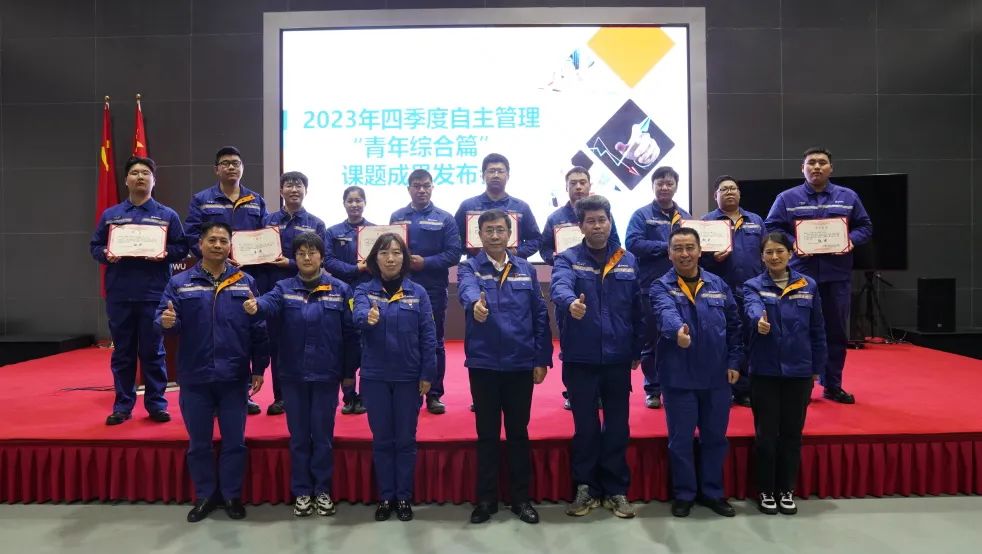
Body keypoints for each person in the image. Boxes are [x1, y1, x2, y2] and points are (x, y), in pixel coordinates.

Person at [156, 221, 269, 523]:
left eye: (223, 240)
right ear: (200, 244)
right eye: (212, 240)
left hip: (234, 376)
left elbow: (258, 327)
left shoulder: (245, 282)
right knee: (199, 444)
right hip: (195, 376)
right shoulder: (180, 283)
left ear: (231, 246)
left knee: (235, 442)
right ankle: (205, 495)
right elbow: (164, 318)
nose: (218, 245)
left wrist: (259, 367)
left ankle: (231, 495)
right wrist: (166, 322)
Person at [243, 232, 359, 518]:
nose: (307, 257)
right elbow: (268, 304)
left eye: (312, 252)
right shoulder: (283, 288)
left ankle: (322, 490)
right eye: (301, 253)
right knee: (298, 438)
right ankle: (302, 491)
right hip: (293, 375)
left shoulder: (341, 289)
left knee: (322, 437)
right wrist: (256, 306)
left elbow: (351, 335)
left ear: (322, 256)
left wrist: (348, 373)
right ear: (294, 258)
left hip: (326, 375)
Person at [550, 195, 643, 520]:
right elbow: (559, 287)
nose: (597, 226)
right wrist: (570, 303)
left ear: (610, 221)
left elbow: (637, 309)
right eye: (590, 221)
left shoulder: (628, 260)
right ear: (581, 226)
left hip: (617, 358)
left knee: (617, 427)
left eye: (602, 219)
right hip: (581, 358)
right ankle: (586, 487)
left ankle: (616, 490)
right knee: (586, 428)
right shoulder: (568, 259)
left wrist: (636, 350)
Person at [457, 209, 552, 525]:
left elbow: (539, 315)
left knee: (518, 434)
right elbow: (466, 290)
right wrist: (475, 304)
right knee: (486, 434)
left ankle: (520, 499)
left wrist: (541, 359)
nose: (495, 236)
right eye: (489, 230)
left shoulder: (526, 269)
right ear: (479, 235)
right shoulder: (470, 267)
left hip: (519, 364)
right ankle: (486, 500)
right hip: (484, 363)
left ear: (510, 234)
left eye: (500, 230)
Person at [764, 147, 873, 404]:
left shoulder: (848, 196)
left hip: (837, 276)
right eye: (811, 163)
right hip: (800, 277)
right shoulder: (787, 198)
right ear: (802, 168)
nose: (816, 167)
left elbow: (865, 226)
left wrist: (849, 240)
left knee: (836, 332)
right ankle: (799, 386)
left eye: (822, 163)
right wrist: (795, 243)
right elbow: (771, 226)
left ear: (830, 168)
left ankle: (832, 385)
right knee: (798, 331)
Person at [90, 156, 188, 425]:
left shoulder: (167, 215)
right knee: (123, 352)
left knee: (153, 351)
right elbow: (95, 247)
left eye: (146, 173)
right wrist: (106, 254)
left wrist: (164, 253)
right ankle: (122, 405)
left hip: (154, 294)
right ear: (126, 180)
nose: (140, 177)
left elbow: (182, 247)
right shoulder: (111, 215)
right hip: (120, 294)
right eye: (135, 173)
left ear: (154, 180)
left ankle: (156, 404)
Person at [651, 227, 741, 518]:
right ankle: (684, 493)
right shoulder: (660, 286)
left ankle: (713, 492)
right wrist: (677, 331)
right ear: (669, 254)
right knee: (680, 440)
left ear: (700, 251)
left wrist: (734, 362)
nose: (684, 254)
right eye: (678, 248)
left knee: (715, 438)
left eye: (690, 247)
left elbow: (735, 326)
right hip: (679, 377)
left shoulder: (718, 284)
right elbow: (665, 312)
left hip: (717, 377)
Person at [352, 233, 436, 523]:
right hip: (375, 376)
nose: (390, 258)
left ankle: (403, 497)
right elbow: (357, 316)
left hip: (408, 378)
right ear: (375, 258)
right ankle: (386, 496)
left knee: (405, 440)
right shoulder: (363, 291)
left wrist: (428, 374)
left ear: (405, 258)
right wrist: (367, 319)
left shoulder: (418, 293)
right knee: (382, 439)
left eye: (397, 253)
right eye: (384, 253)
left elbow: (429, 336)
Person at [743, 232, 827, 516]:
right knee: (766, 435)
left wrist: (817, 368)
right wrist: (758, 320)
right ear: (762, 257)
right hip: (765, 371)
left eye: (780, 251)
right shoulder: (752, 285)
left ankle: (786, 489)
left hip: (799, 372)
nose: (774, 257)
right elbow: (752, 307)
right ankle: (766, 490)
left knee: (792, 434)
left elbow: (818, 329)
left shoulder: (808, 285)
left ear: (790, 254)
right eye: (769, 252)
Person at [184, 146, 269, 416]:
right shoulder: (201, 199)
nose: (231, 167)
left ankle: (242, 394)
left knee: (242, 334)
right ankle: (209, 396)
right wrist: (217, 257)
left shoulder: (256, 200)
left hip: (245, 278)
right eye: (225, 163)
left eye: (236, 163)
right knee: (214, 332)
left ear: (242, 168)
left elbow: (266, 236)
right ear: (216, 169)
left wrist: (255, 256)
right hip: (210, 276)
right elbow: (191, 235)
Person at [541, 167, 621, 410]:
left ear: (589, 185)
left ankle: (601, 391)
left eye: (582, 182)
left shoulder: (604, 213)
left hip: (601, 281)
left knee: (604, 333)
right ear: (566, 187)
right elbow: (544, 249)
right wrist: (558, 258)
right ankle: (572, 391)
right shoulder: (555, 217)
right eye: (573, 182)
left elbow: (615, 244)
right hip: (568, 281)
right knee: (571, 340)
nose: (578, 187)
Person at [390, 169, 462, 415]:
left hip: (433, 288)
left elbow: (454, 253)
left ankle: (434, 394)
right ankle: (408, 392)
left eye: (426, 186)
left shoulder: (445, 218)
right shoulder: (397, 217)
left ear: (432, 188)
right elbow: (390, 250)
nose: (422, 190)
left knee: (434, 341)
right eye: (417, 186)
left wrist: (426, 263)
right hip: (402, 287)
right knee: (404, 339)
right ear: (409, 188)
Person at [260, 171, 328, 416]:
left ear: (305, 191)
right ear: (281, 191)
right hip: (275, 290)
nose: (294, 189)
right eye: (288, 185)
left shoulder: (316, 224)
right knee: (278, 345)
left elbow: (322, 259)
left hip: (307, 292)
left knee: (307, 341)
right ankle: (281, 396)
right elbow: (257, 251)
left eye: (299, 185)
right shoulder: (267, 221)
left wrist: (289, 263)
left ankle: (308, 390)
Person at [625, 166, 691, 409]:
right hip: (650, 286)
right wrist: (667, 247)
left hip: (682, 287)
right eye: (660, 183)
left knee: (679, 335)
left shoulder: (685, 216)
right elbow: (632, 243)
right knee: (651, 340)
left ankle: (676, 384)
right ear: (653, 186)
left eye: (669, 183)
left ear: (676, 186)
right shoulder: (641, 215)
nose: (664, 187)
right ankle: (653, 389)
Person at [700, 175, 765, 407]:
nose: (729, 192)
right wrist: (712, 259)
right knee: (721, 339)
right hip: (718, 292)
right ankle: (721, 388)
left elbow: (766, 252)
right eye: (723, 189)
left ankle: (743, 388)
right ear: (715, 195)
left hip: (751, 290)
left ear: (739, 193)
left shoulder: (755, 220)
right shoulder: (706, 222)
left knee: (748, 339)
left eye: (733, 188)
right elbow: (696, 259)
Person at [324, 185, 374, 415]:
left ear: (365, 203)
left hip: (369, 294)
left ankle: (365, 396)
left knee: (367, 343)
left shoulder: (376, 231)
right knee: (345, 344)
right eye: (350, 201)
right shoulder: (332, 232)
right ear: (344, 204)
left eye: (358, 200)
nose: (355, 204)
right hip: (340, 294)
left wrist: (370, 267)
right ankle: (348, 396)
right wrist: (355, 269)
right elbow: (328, 261)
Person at [454, 153, 542, 259]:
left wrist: (517, 252)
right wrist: (470, 249)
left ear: (508, 176)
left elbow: (536, 240)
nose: (496, 175)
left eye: (500, 171)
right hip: (476, 266)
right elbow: (454, 239)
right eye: (491, 171)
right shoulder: (467, 206)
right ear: (483, 175)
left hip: (512, 266)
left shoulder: (522, 207)